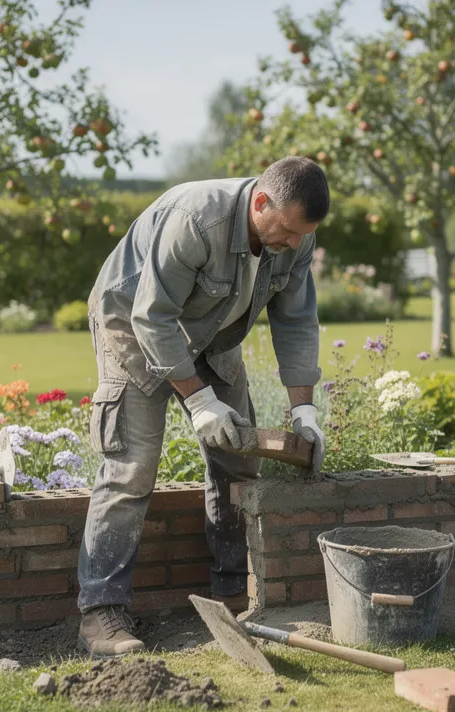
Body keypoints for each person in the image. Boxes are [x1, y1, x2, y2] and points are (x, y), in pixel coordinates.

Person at [77, 156, 330, 657]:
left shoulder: (295, 233)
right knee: (133, 465)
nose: (295, 244)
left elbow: (297, 322)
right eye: (287, 231)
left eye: (304, 234)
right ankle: (101, 612)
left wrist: (304, 412)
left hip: (211, 334)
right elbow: (152, 317)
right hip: (132, 325)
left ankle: (233, 591)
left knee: (239, 458)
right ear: (261, 203)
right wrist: (199, 400)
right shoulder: (198, 219)